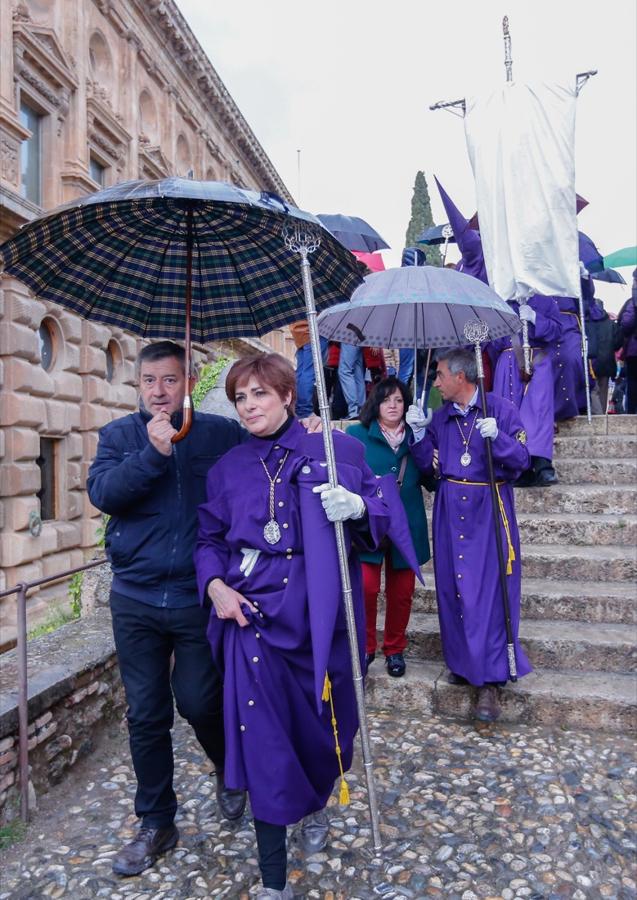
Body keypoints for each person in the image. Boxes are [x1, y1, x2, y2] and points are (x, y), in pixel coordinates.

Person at [194, 353, 418, 899]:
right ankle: (273, 881)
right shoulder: (226, 468)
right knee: (263, 741)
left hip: (321, 612)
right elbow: (207, 540)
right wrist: (215, 587)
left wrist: (359, 508)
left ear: (288, 396)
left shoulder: (336, 450)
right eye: (240, 397)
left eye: (259, 395)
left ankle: (316, 796)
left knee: (327, 724)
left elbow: (383, 522)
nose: (248, 406)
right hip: (251, 616)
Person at [87, 342, 249, 876]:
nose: (160, 392)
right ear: (137, 385)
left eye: (171, 381)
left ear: (188, 380)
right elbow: (105, 494)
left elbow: (265, 451)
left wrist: (311, 432)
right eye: (150, 381)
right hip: (134, 597)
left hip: (194, 594)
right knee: (146, 713)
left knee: (200, 700)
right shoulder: (119, 437)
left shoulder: (218, 434)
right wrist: (152, 454)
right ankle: (157, 821)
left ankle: (229, 764)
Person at [407, 349, 532, 723]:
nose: (436, 382)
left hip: (488, 509)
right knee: (453, 588)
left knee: (489, 594)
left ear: (461, 377)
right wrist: (416, 436)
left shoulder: (503, 410)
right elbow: (427, 469)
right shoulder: (441, 417)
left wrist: (501, 441)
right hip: (450, 509)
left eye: (440, 375)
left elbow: (523, 461)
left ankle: (490, 682)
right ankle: (463, 663)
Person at [347, 376, 433, 677]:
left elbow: (432, 480)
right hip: (369, 525)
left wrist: (422, 438)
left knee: (401, 594)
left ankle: (395, 649)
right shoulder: (357, 434)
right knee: (367, 588)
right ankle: (368, 646)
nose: (393, 405)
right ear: (376, 404)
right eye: (386, 400)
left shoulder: (417, 435)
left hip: (407, 527)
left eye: (398, 400)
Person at [491, 295, 563, 486]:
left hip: (538, 358)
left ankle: (541, 464)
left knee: (539, 410)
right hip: (508, 359)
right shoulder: (499, 301)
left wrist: (535, 318)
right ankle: (517, 466)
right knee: (509, 411)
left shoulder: (546, 301)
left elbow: (557, 332)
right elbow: (493, 341)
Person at [288, 319, 328, 418]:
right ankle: (304, 410)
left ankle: (299, 408)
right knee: (309, 372)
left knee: (301, 373)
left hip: (300, 332)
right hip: (313, 330)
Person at [618, 270, 637, 414]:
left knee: (633, 383)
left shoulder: (632, 302)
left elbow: (626, 324)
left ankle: (632, 415)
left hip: (634, 350)